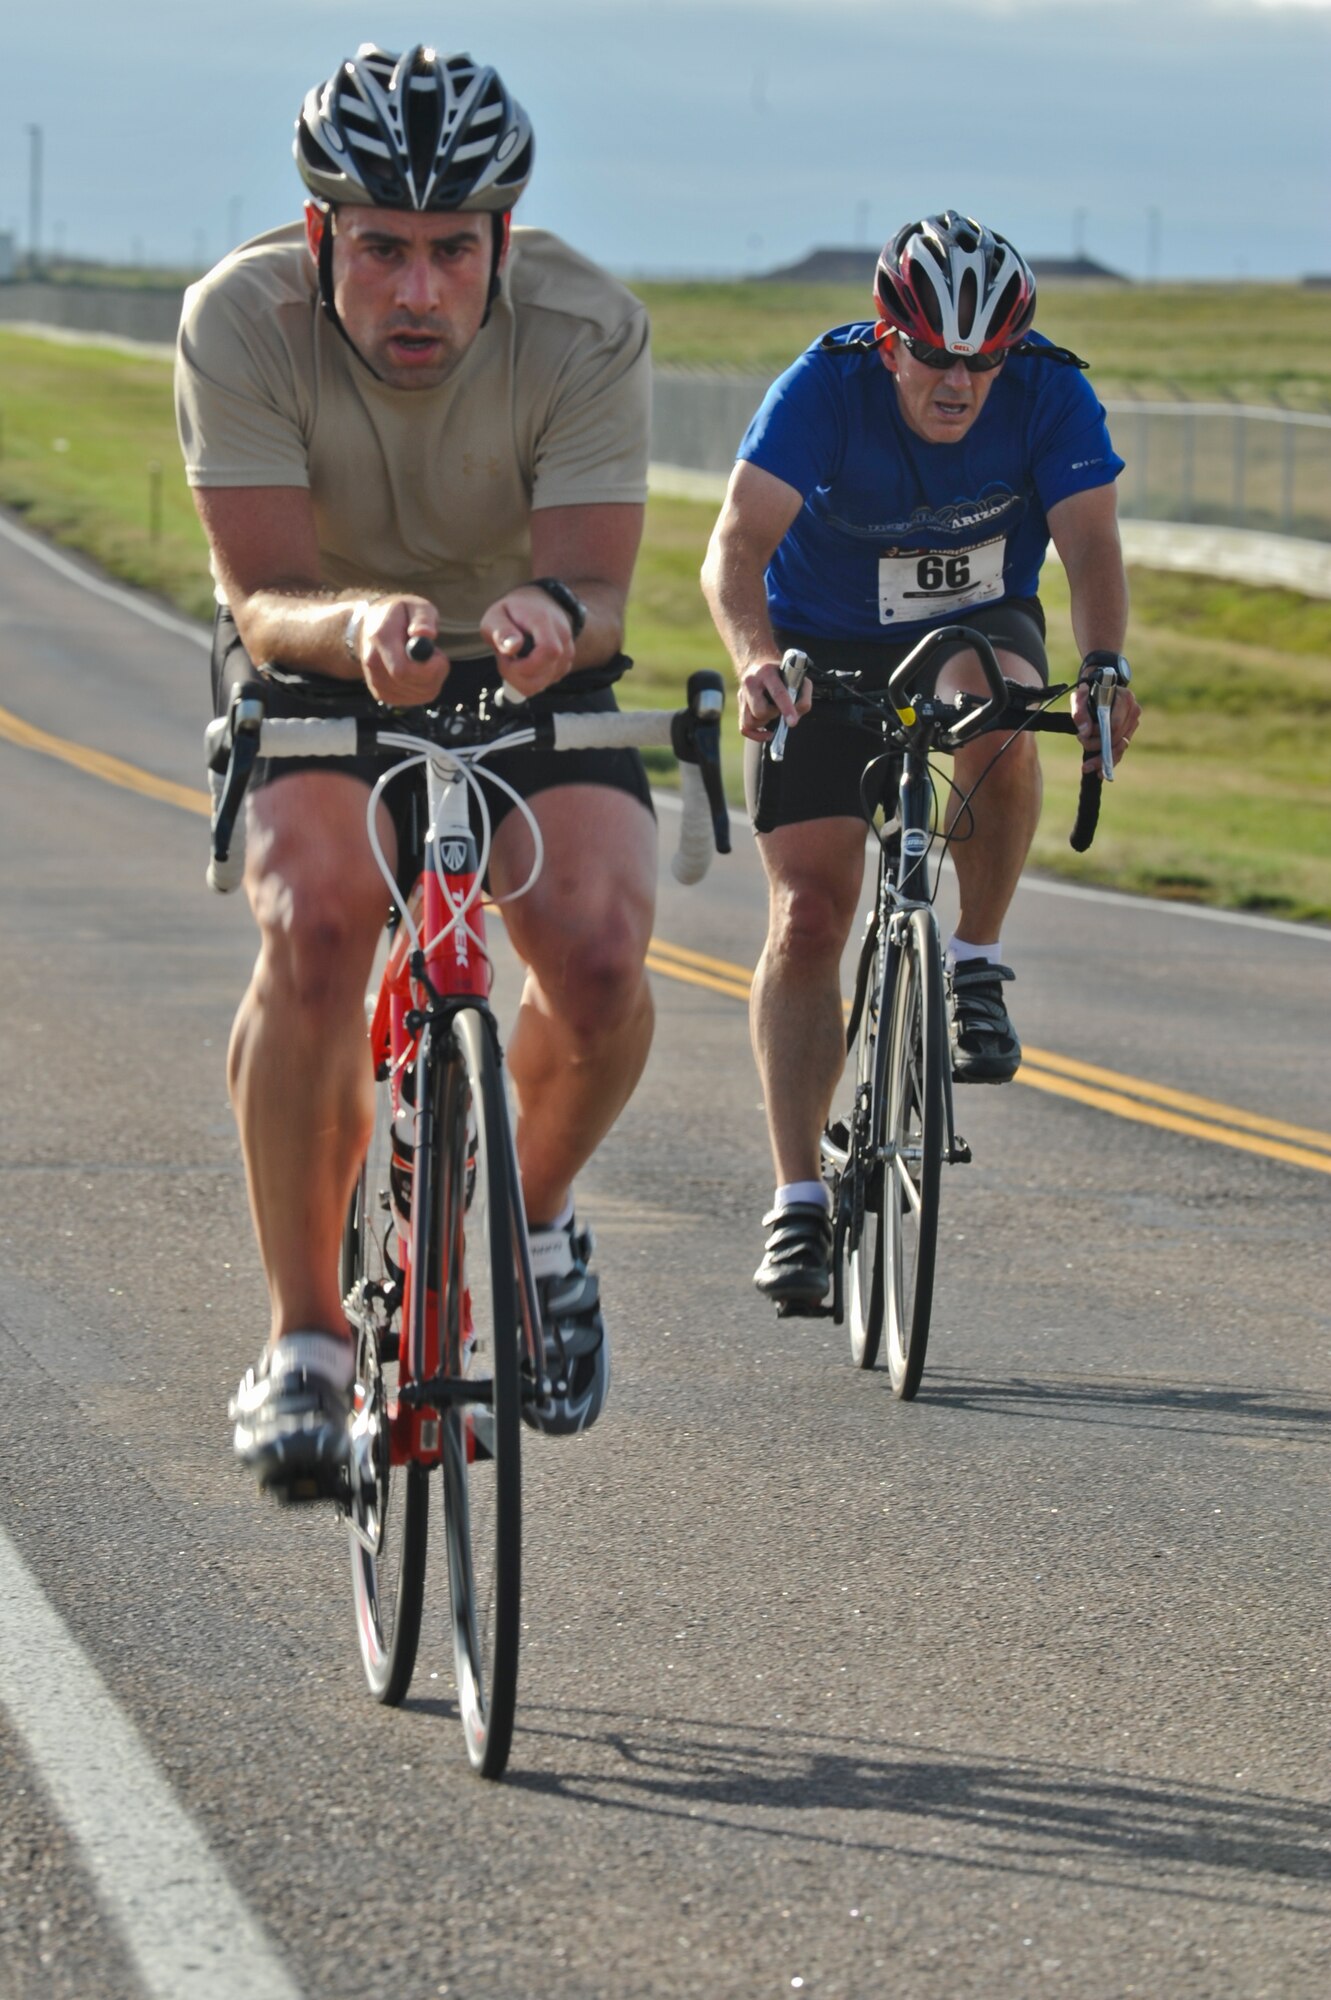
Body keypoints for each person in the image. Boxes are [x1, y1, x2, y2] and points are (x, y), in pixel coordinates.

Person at [175, 42, 658, 1496]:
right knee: (317, 923)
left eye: (454, 250)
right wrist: (357, 624)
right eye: (380, 248)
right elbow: (261, 600)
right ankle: (306, 1345)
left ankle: (534, 1217)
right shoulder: (238, 322)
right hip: (325, 658)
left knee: (599, 947)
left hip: (526, 665)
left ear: (503, 239)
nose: (418, 290)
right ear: (320, 234)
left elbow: (601, 597)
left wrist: (546, 617)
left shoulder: (584, 327)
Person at [701, 210, 1142, 1309]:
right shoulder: (820, 389)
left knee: (996, 699)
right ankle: (796, 1199)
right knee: (808, 914)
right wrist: (755, 660)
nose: (959, 380)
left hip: (979, 614)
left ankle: (976, 962)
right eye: (937, 356)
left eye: (984, 358)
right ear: (888, 340)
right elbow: (735, 548)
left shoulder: (1050, 391)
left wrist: (1101, 666)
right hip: (821, 635)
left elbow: (1088, 545)